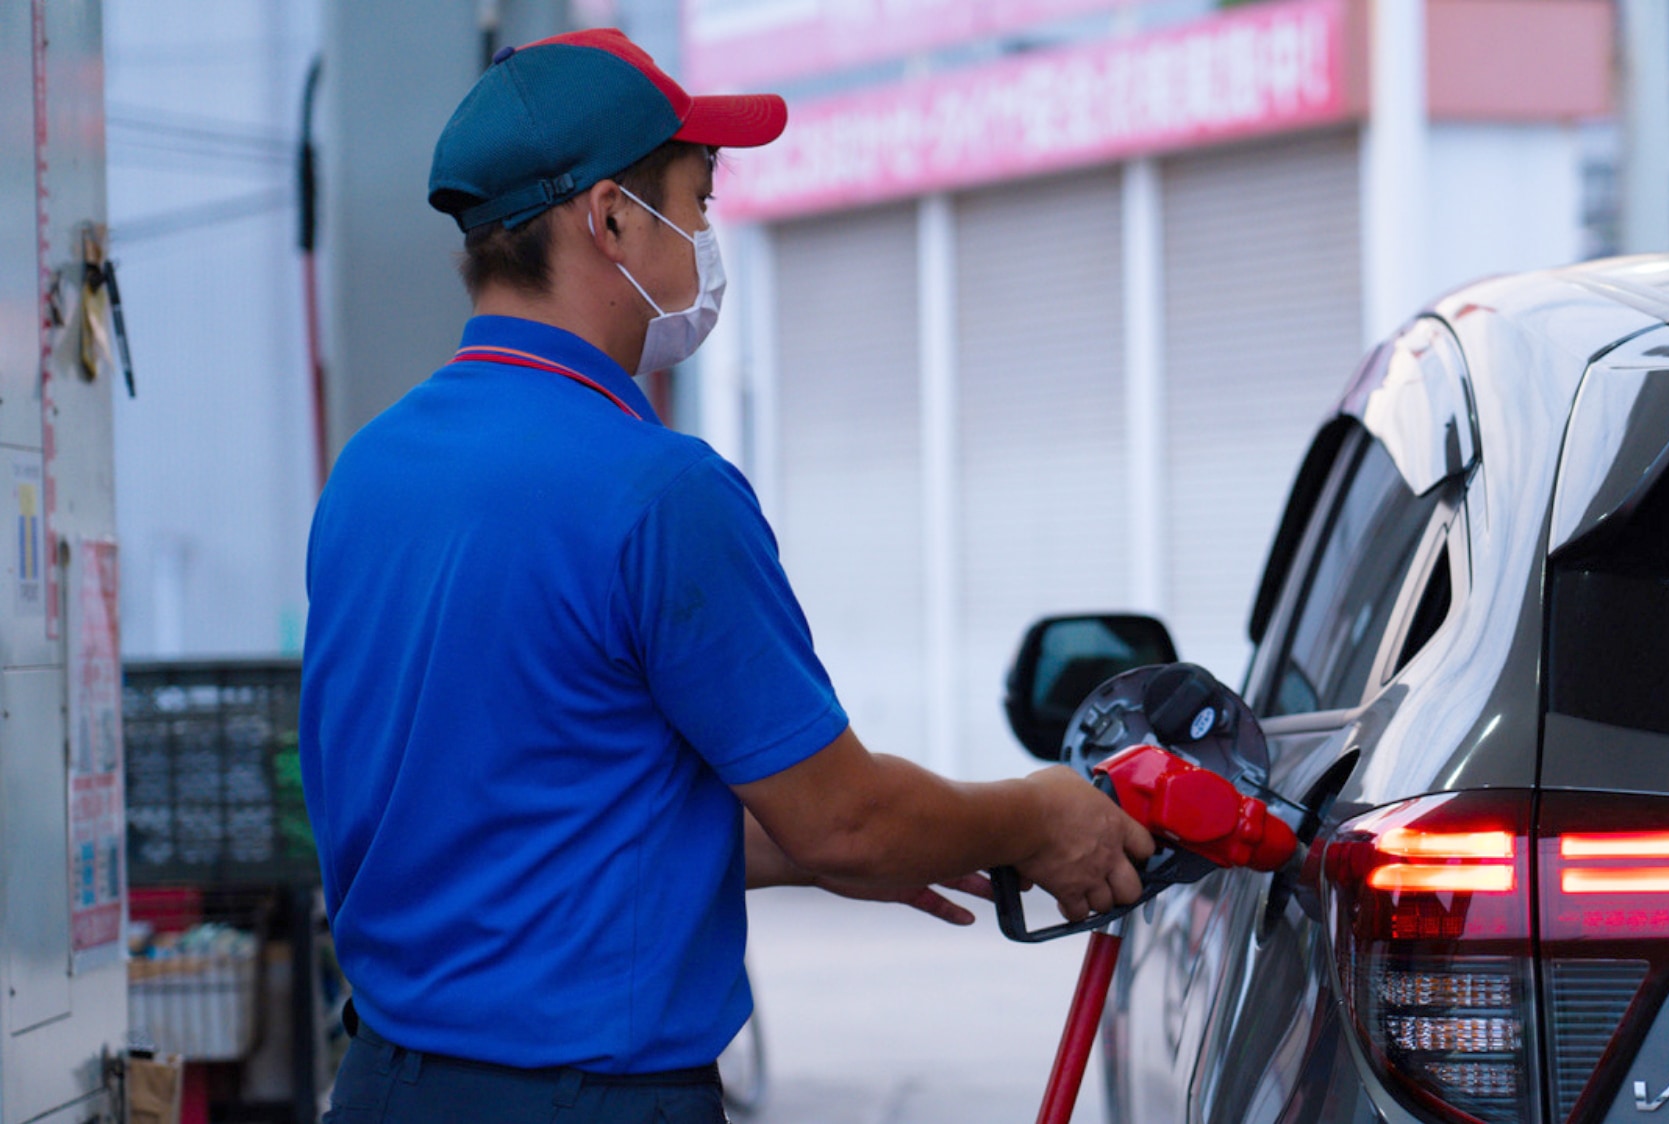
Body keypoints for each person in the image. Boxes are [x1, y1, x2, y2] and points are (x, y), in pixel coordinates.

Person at [298, 28, 1153, 1124]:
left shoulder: (369, 475)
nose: (705, 236)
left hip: (383, 1087)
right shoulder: (655, 490)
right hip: (586, 1101)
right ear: (608, 218)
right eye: (695, 202)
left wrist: (817, 847)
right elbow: (847, 816)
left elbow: (528, 808)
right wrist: (1036, 814)